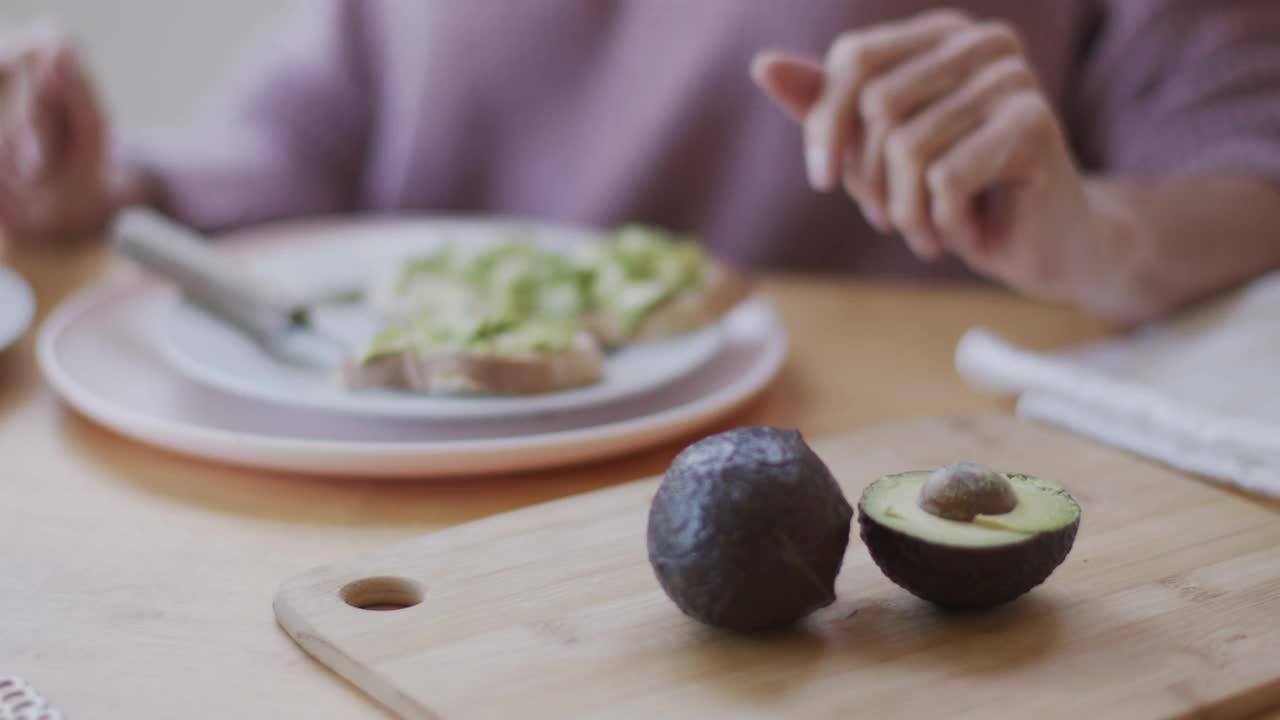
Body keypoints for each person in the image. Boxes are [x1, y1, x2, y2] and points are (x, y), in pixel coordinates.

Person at [1, 2, 1278, 324]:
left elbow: (1248, 163)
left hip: (827, 560)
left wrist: (1099, 240)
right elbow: (302, 135)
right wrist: (104, 193)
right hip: (397, 515)